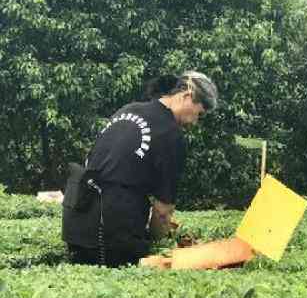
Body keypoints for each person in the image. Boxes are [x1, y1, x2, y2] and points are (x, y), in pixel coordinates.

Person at [62, 71, 218, 266]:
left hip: (75, 225)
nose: (194, 122)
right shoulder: (171, 135)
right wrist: (159, 244)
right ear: (187, 96)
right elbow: (162, 211)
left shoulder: (128, 109)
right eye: (199, 114)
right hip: (113, 239)